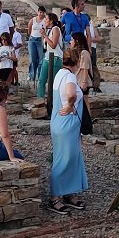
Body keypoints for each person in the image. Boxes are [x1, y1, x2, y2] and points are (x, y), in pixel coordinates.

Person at [48, 48, 89, 215]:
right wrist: (70, 105)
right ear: (76, 61)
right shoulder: (70, 76)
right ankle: (55, 196)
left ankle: (68, 192)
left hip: (59, 122)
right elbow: (71, 93)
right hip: (67, 123)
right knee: (64, 159)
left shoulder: (59, 74)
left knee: (71, 158)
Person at [37, 13, 63, 98]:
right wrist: (43, 35)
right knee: (41, 80)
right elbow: (45, 45)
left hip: (56, 57)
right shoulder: (48, 30)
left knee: (53, 82)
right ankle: (40, 99)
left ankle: (53, 101)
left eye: (47, 19)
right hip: (47, 57)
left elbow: (53, 45)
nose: (45, 21)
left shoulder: (56, 29)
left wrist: (44, 35)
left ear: (51, 21)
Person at [27, 6, 46, 83]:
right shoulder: (33, 20)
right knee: (32, 58)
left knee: (41, 59)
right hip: (32, 39)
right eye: (40, 12)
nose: (41, 14)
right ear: (38, 12)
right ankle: (31, 75)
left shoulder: (45, 20)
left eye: (42, 12)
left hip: (40, 40)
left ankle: (40, 75)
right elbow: (29, 29)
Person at [85, 11, 102, 93]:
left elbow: (98, 39)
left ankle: (96, 85)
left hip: (92, 47)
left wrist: (89, 39)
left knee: (93, 66)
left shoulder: (92, 27)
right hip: (84, 48)